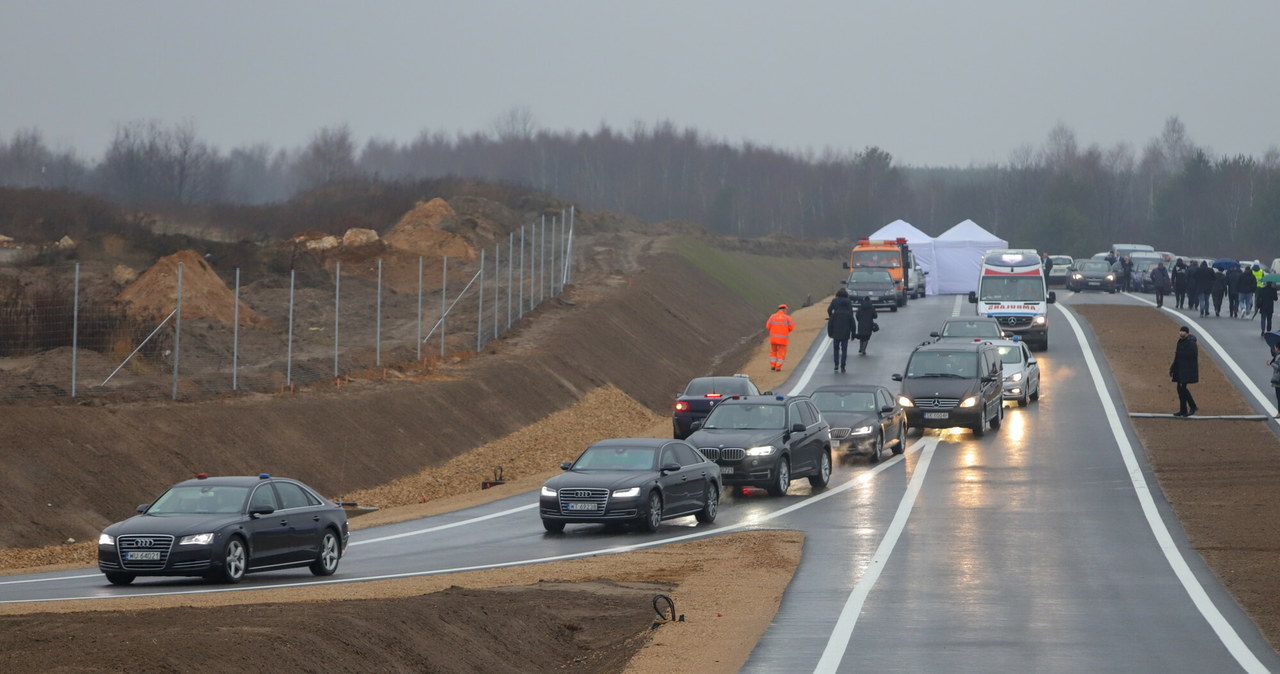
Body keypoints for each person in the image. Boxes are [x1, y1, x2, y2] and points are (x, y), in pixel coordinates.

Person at [1170, 325, 1199, 417]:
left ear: (1187, 333)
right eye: (1180, 331)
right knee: (1180, 389)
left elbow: (1192, 356)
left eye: (1183, 331)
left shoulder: (1190, 343)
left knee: (1182, 388)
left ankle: (1192, 406)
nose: (1181, 333)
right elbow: (1177, 356)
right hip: (1180, 369)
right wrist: (1173, 368)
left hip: (1186, 370)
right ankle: (1183, 410)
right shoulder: (1181, 341)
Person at [826, 289, 856, 373]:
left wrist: (831, 317)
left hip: (836, 330)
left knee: (836, 348)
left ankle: (836, 364)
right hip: (845, 331)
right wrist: (853, 335)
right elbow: (852, 320)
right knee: (844, 349)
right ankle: (843, 366)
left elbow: (829, 310)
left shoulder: (834, 302)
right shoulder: (848, 302)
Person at [766, 304, 795, 372]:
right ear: (784, 309)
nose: (786, 311)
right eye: (786, 310)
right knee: (781, 353)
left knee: (773, 352)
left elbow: (768, 326)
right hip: (783, 339)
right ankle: (778, 367)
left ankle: (773, 366)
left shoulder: (772, 316)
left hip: (773, 338)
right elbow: (791, 327)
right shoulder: (787, 318)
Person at [1268, 343, 1280, 417]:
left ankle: (1279, 413)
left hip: (1278, 380)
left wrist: (1271, 364)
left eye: (1275, 347)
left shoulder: (1278, 356)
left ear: (1278, 348)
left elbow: (1278, 367)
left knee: (1279, 397)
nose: (1274, 348)